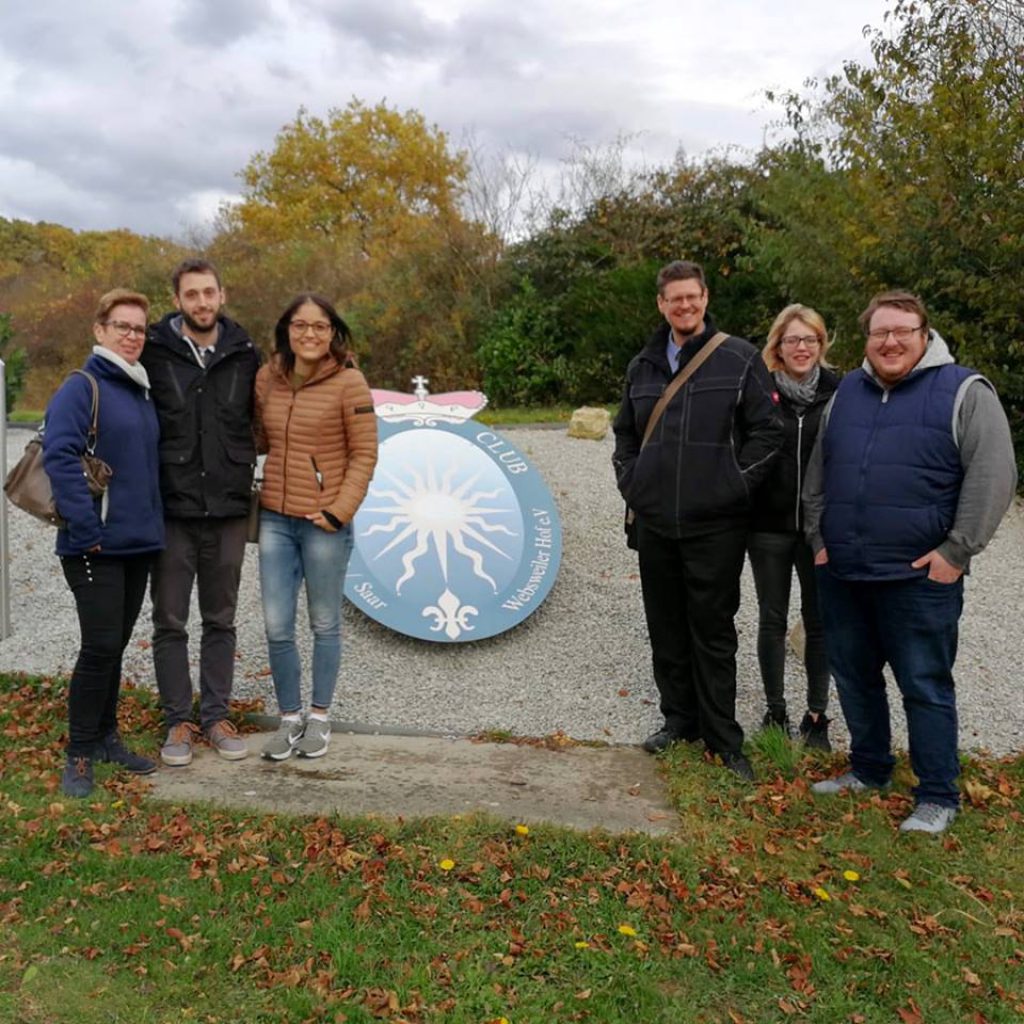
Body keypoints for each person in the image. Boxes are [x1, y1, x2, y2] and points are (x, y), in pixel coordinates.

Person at [805, 290, 1017, 833]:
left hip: (920, 578)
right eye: (880, 333)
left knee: (923, 684)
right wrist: (818, 537)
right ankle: (869, 768)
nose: (890, 341)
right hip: (845, 571)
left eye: (902, 331)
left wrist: (956, 552)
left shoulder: (964, 391)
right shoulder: (848, 390)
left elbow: (993, 477)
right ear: (867, 339)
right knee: (854, 677)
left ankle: (938, 794)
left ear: (925, 336)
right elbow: (818, 472)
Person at [612, 260, 782, 781]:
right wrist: (632, 481)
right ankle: (678, 722)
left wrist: (731, 485)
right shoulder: (643, 366)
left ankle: (723, 738)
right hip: (657, 523)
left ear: (705, 298)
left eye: (692, 297)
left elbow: (767, 431)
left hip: (715, 526)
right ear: (661, 304)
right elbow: (624, 434)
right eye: (673, 299)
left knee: (712, 632)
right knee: (666, 630)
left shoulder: (738, 358)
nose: (683, 306)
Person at [43, 289, 165, 797]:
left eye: (139, 328)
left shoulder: (139, 389)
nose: (132, 335)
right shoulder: (83, 386)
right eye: (122, 326)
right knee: (97, 649)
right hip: (94, 547)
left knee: (113, 648)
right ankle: (79, 752)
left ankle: (106, 738)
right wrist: (87, 529)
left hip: (136, 546)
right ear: (100, 330)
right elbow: (60, 456)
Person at [142, 259, 261, 766]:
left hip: (229, 507)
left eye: (209, 292)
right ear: (177, 300)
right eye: (191, 295)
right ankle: (178, 722)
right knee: (170, 621)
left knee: (221, 618)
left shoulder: (245, 353)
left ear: (222, 294)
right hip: (171, 507)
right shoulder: (152, 352)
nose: (202, 303)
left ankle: (215, 716)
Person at [254, 294, 378, 760]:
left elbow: (364, 455)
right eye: (300, 325)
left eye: (320, 326)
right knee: (276, 624)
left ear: (332, 332)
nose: (310, 334)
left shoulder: (350, 382)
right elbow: (260, 436)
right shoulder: (268, 378)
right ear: (286, 329)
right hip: (275, 519)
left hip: (324, 522)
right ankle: (289, 718)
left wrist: (337, 511)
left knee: (324, 622)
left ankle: (319, 717)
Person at [748, 304, 839, 749]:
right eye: (792, 340)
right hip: (767, 525)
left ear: (821, 345)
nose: (801, 348)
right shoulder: (759, 390)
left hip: (820, 528)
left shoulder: (842, 392)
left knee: (818, 620)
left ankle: (817, 714)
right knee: (772, 617)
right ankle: (775, 709)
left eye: (810, 340)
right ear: (777, 346)